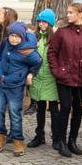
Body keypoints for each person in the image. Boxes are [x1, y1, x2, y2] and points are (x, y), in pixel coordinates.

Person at [48, 2, 82, 157]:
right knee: (65, 108)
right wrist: (57, 71)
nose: (68, 15)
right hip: (65, 78)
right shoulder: (61, 32)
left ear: (80, 14)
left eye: (71, 12)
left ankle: (72, 141)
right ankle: (61, 141)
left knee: (78, 109)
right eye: (68, 12)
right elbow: (52, 52)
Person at [0, 22, 42, 155]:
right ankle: (0, 137)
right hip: (1, 84)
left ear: (22, 37)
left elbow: (38, 61)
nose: (13, 39)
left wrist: (31, 74)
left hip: (16, 86)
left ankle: (18, 141)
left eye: (17, 36)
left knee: (15, 114)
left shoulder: (28, 50)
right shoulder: (4, 44)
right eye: (12, 36)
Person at [28, 10, 59, 149]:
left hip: (51, 77)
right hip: (38, 76)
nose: (41, 24)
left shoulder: (55, 38)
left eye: (44, 22)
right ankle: (39, 135)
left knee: (53, 108)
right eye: (39, 21)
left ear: (50, 23)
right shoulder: (35, 37)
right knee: (39, 107)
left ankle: (56, 137)